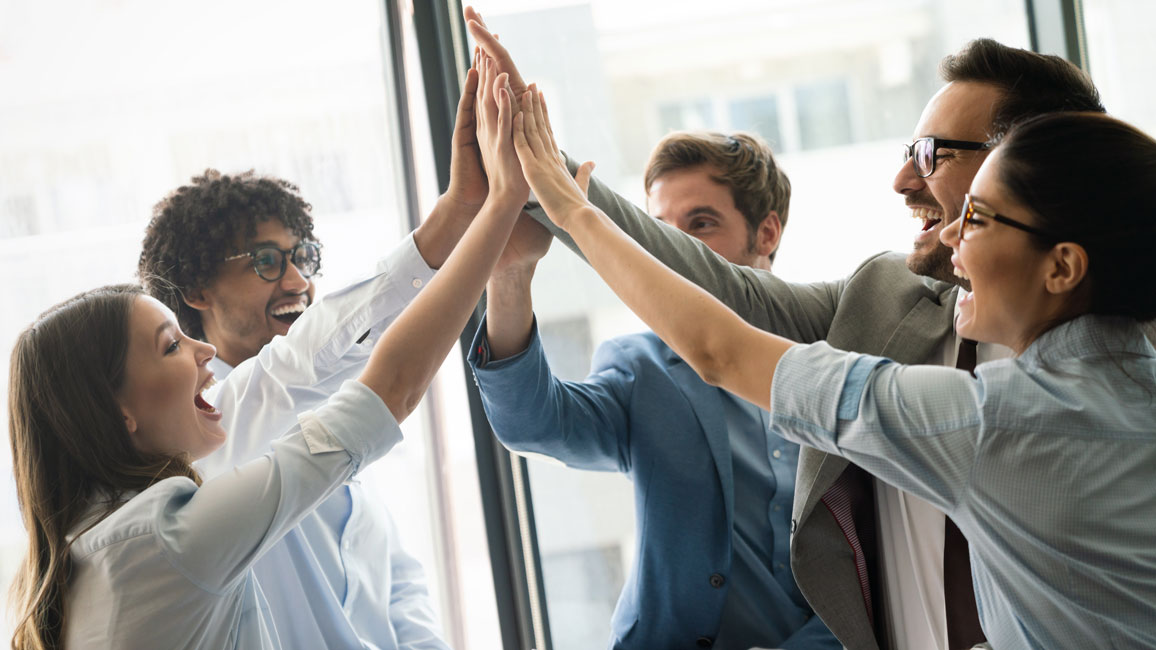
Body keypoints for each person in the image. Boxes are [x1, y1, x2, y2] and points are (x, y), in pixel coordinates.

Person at [466, 11, 1106, 647]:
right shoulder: (879, 301)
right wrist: (538, 175)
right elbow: (711, 306)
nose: (902, 178)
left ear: (1028, 169)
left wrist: (563, 200)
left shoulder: (1100, 379)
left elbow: (722, 349)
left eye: (931, 155)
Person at [7, 58, 526, 649]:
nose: (298, 281)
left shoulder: (108, 530)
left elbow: (301, 364)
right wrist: (501, 203)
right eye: (171, 344)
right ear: (115, 411)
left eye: (300, 256)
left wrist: (460, 209)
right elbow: (388, 385)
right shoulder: (168, 528)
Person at [472, 130, 838, 648]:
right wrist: (511, 273)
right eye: (657, 228)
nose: (669, 249)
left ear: (767, 233)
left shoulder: (836, 364)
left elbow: (873, 563)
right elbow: (532, 424)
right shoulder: (642, 368)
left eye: (701, 224)